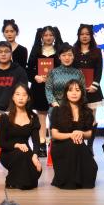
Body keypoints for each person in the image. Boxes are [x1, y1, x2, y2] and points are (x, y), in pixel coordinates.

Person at [50, 80, 98, 189]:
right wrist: (71, 135)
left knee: (92, 170)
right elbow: (55, 135)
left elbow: (89, 134)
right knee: (73, 145)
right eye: (70, 90)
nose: (74, 93)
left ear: (82, 93)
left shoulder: (87, 111)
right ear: (66, 93)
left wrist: (81, 132)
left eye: (77, 90)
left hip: (79, 145)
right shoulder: (57, 110)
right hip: (61, 146)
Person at [0, 84, 42, 190]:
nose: (21, 98)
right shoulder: (5, 117)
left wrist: (35, 156)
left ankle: (13, 180)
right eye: (17, 94)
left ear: (28, 98)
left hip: (26, 152)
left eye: (24, 95)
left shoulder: (33, 117)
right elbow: (1, 143)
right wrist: (16, 145)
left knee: (37, 170)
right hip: (8, 152)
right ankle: (15, 180)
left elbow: (36, 141)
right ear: (13, 97)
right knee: (20, 154)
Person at [28, 26, 62, 155]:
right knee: (41, 116)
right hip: (39, 88)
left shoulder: (59, 50)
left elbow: (64, 68)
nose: (48, 37)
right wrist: (35, 77)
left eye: (51, 35)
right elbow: (29, 70)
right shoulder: (36, 50)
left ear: (55, 36)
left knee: (55, 116)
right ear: (41, 37)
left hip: (56, 88)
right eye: (45, 35)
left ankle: (55, 144)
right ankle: (42, 144)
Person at [0, 42, 30, 124]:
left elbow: (23, 93)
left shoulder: (20, 71)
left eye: (6, 51)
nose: (3, 54)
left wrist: (11, 111)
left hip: (14, 111)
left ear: (11, 54)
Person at [45, 43, 86, 111]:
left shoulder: (79, 73)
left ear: (73, 56)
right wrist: (56, 105)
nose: (67, 58)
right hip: (56, 108)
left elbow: (83, 92)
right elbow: (48, 90)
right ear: (59, 57)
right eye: (63, 55)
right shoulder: (52, 72)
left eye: (70, 55)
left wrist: (75, 107)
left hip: (75, 109)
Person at [73, 24, 104, 110]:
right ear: (78, 36)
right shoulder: (73, 51)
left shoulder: (97, 51)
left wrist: (94, 86)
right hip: (77, 88)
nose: (84, 36)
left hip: (92, 89)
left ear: (91, 36)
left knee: (91, 116)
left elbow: (99, 70)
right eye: (82, 34)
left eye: (87, 34)